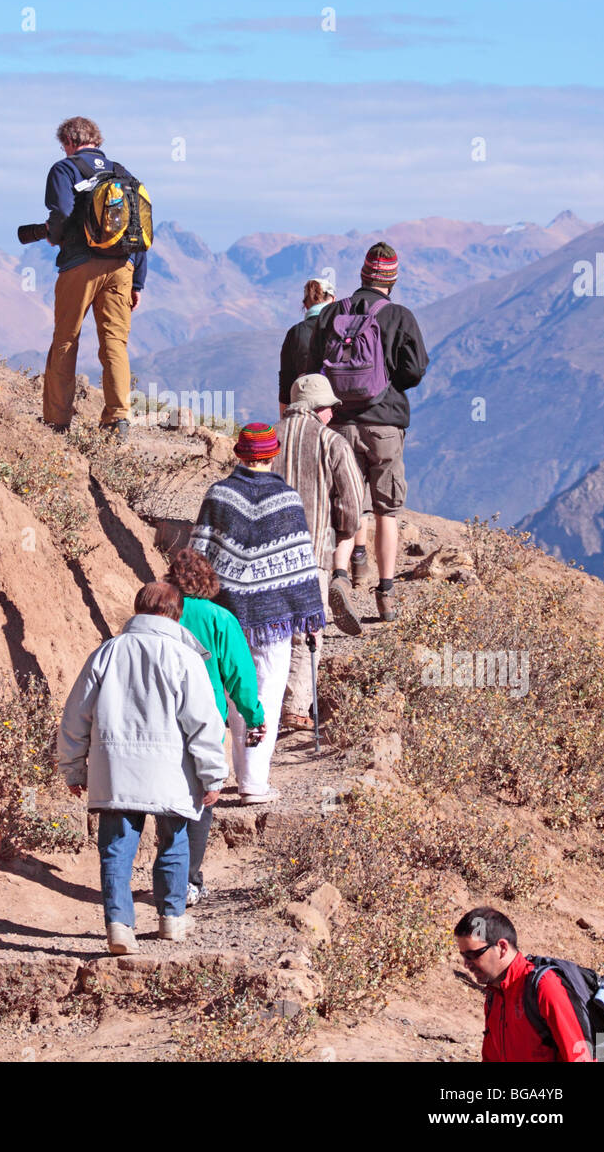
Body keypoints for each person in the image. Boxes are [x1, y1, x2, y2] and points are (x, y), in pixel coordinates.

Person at [57, 580, 225, 955]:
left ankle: (119, 926)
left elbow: (75, 716)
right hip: (171, 773)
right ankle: (171, 919)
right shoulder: (185, 658)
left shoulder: (107, 652)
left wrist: (73, 767)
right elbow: (203, 723)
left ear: (138, 608)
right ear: (176, 613)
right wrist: (213, 774)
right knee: (175, 841)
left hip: (116, 771)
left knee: (116, 848)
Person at [189, 421, 324, 805]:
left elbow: (199, 554)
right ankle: (252, 782)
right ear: (273, 453)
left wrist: (187, 601)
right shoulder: (288, 499)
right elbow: (300, 565)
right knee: (264, 691)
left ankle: (214, 776)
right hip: (273, 618)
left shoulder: (219, 495)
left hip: (223, 614)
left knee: (228, 692)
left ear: (238, 453)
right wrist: (310, 616)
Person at [308, 242, 428, 622]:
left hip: (340, 423)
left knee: (349, 504)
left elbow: (314, 367)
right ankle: (386, 592)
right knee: (387, 511)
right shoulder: (399, 316)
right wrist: (386, 380)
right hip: (385, 424)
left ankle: (340, 574)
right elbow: (415, 370)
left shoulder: (331, 313)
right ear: (392, 280)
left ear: (361, 275)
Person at [165, 548, 266, 904]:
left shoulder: (162, 614)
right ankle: (188, 879)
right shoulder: (220, 619)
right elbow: (241, 675)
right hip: (206, 720)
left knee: (167, 801)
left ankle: (169, 876)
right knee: (203, 800)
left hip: (161, 718)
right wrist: (254, 716)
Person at [41, 117, 147, 439]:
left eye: (63, 145)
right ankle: (118, 421)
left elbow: (60, 213)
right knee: (115, 343)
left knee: (66, 339)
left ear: (70, 140)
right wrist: (137, 281)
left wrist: (55, 237)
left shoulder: (65, 169)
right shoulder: (123, 173)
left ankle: (56, 422)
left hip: (80, 264)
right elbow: (138, 229)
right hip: (122, 267)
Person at [273, 373, 366, 726]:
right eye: (328, 408)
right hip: (310, 552)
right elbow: (353, 507)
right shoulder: (332, 443)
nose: (331, 414)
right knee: (306, 631)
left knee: (267, 629)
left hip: (263, 554)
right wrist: (340, 533)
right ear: (317, 408)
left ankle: (261, 702)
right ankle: (295, 705)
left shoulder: (266, 440)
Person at [454, 907, 593, 1063]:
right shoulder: (494, 994)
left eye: (472, 955)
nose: (466, 964)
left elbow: (580, 1058)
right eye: (463, 956)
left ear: (502, 947)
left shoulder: (544, 987)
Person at [278, 275, 335, 417]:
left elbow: (286, 382)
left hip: (307, 413)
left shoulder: (295, 333)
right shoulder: (343, 328)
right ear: (333, 300)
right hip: (342, 411)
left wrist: (283, 421)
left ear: (305, 305)